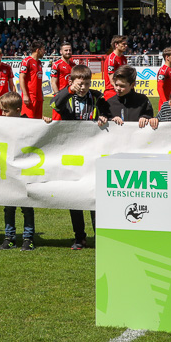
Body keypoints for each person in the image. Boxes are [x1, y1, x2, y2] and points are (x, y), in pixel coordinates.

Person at [49, 64, 120, 249]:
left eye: (87, 83)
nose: (83, 87)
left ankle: (100, 235)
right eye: (80, 84)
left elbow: (107, 113)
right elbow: (55, 104)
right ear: (71, 82)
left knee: (95, 195)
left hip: (93, 152)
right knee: (75, 196)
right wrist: (68, 90)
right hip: (72, 153)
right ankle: (79, 236)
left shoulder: (96, 96)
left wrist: (104, 117)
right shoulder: (67, 96)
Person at [0, 91, 39, 251]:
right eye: (2, 110)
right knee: (9, 206)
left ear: (17, 110)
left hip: (25, 171)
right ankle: (9, 237)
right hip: (8, 171)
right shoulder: (1, 124)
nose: (3, 114)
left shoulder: (28, 123)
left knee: (27, 206)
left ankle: (28, 238)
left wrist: (47, 122)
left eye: (6, 111)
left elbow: (41, 132)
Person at [18, 41, 45, 119]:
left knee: (38, 121)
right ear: (37, 50)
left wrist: (41, 93)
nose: (44, 52)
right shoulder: (27, 61)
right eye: (43, 50)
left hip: (38, 97)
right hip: (30, 97)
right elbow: (21, 78)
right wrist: (25, 95)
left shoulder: (39, 63)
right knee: (28, 121)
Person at [103, 35, 128, 100]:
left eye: (126, 44)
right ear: (116, 45)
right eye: (123, 44)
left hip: (122, 90)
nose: (126, 46)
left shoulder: (123, 58)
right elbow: (112, 80)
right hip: (112, 92)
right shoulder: (111, 59)